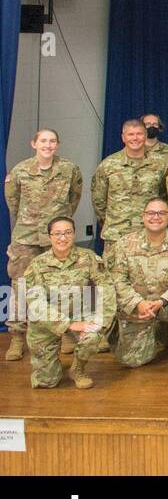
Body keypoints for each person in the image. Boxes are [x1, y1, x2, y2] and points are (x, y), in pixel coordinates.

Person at [5, 127, 83, 361]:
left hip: (57, 237)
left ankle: (65, 332)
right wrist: (30, 222)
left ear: (57, 144)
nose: (48, 145)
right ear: (34, 144)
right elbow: (13, 202)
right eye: (43, 141)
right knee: (21, 286)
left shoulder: (69, 169)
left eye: (52, 141)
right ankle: (18, 336)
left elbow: (74, 198)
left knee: (62, 283)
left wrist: (59, 225)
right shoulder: (20, 171)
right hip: (26, 237)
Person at [110, 199, 168, 371]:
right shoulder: (124, 243)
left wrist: (162, 301)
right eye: (151, 213)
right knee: (132, 361)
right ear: (143, 216)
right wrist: (138, 303)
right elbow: (118, 280)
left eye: (161, 213)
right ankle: (159, 334)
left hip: (167, 304)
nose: (156, 217)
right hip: (139, 307)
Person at [24, 216, 114, 389]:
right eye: (57, 233)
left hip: (78, 313)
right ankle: (50, 365)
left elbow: (107, 288)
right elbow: (36, 304)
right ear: (50, 236)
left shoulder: (88, 258)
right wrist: (68, 324)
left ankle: (78, 369)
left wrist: (102, 322)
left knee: (93, 333)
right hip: (46, 323)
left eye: (67, 233)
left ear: (74, 234)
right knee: (47, 381)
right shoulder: (37, 264)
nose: (62, 238)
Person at [92, 118, 167, 266]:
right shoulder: (109, 164)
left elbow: (164, 196)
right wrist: (111, 220)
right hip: (116, 235)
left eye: (139, 134)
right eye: (131, 134)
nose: (135, 138)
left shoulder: (160, 164)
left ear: (145, 136)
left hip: (149, 233)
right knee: (113, 276)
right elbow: (99, 200)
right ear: (123, 137)